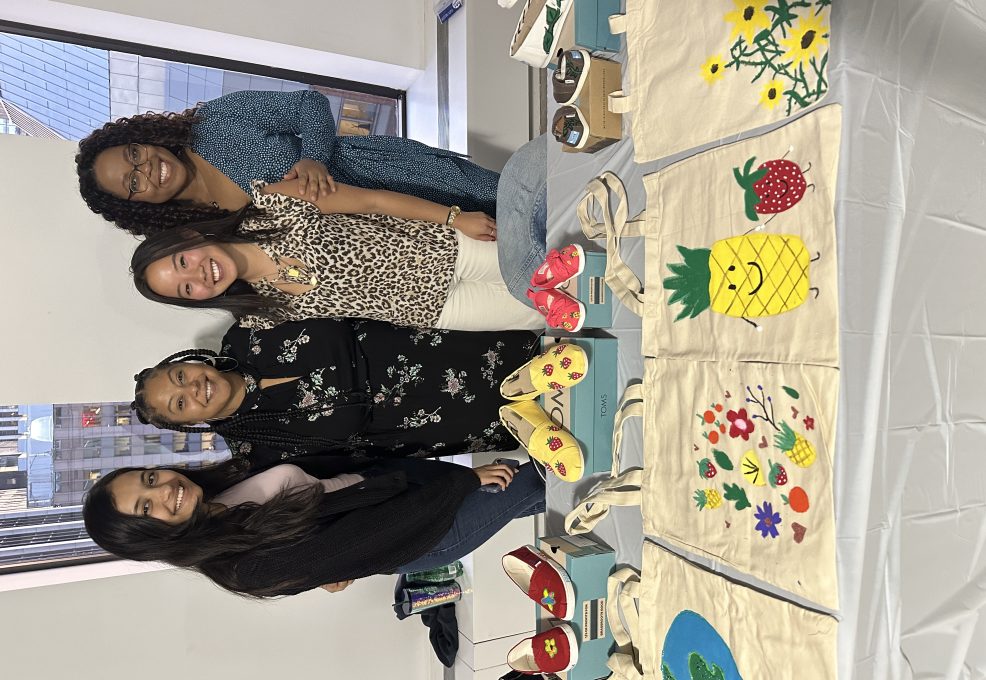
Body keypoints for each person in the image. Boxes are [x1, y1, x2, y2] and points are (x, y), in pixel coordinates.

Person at [83, 455, 545, 597]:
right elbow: (371, 535)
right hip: (423, 531)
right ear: (151, 540)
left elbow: (324, 494)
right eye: (146, 508)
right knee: (541, 475)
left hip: (405, 494)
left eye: (149, 479)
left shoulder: (219, 492)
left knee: (540, 488)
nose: (165, 490)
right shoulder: (241, 569)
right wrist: (463, 481)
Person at [129, 182, 546, 331]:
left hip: (450, 250)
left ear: (189, 236)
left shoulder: (271, 204)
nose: (199, 276)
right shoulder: (258, 315)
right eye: (186, 289)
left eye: (183, 262)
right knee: (547, 312)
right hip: (438, 311)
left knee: (552, 262)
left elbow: (372, 201)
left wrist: (454, 218)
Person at [77, 89, 499, 236]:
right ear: (137, 205)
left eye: (134, 154)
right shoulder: (201, 228)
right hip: (387, 242)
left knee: (506, 198)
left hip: (391, 173)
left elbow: (307, 104)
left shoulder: (217, 122)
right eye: (132, 183)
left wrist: (314, 156)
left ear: (143, 140)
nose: (146, 169)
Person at [132, 317, 546, 467]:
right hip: (436, 424)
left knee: (551, 352)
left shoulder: (246, 330)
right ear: (191, 422)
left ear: (187, 361)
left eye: (180, 376)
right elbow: (358, 473)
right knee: (550, 420)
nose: (193, 388)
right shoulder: (256, 450)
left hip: (443, 346)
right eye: (180, 403)